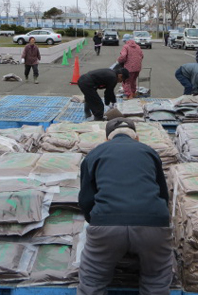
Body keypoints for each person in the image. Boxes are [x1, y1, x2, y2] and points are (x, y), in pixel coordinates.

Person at [78, 117, 172, 295]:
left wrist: (98, 221)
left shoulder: (95, 154)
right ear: (136, 137)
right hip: (153, 224)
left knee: (92, 281)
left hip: (106, 225)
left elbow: (85, 199)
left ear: (107, 139)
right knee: (156, 279)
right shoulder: (149, 152)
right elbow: (162, 193)